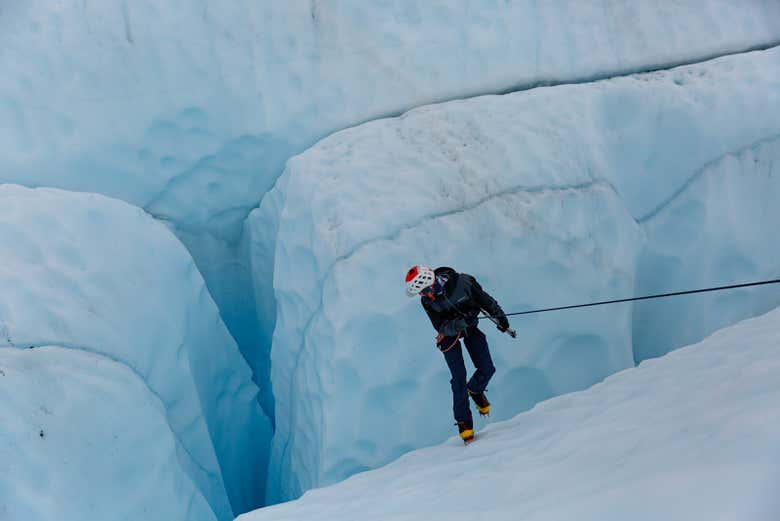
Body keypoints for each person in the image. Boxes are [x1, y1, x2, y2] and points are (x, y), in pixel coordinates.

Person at [405, 265, 511, 443]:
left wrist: (501, 319)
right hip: (449, 335)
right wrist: (460, 324)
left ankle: (475, 389)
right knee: (459, 376)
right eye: (421, 294)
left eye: (423, 291)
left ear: (429, 283)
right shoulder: (427, 301)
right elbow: (440, 327)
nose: (423, 296)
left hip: (469, 326)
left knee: (487, 368)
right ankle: (464, 423)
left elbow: (486, 301)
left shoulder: (463, 282)